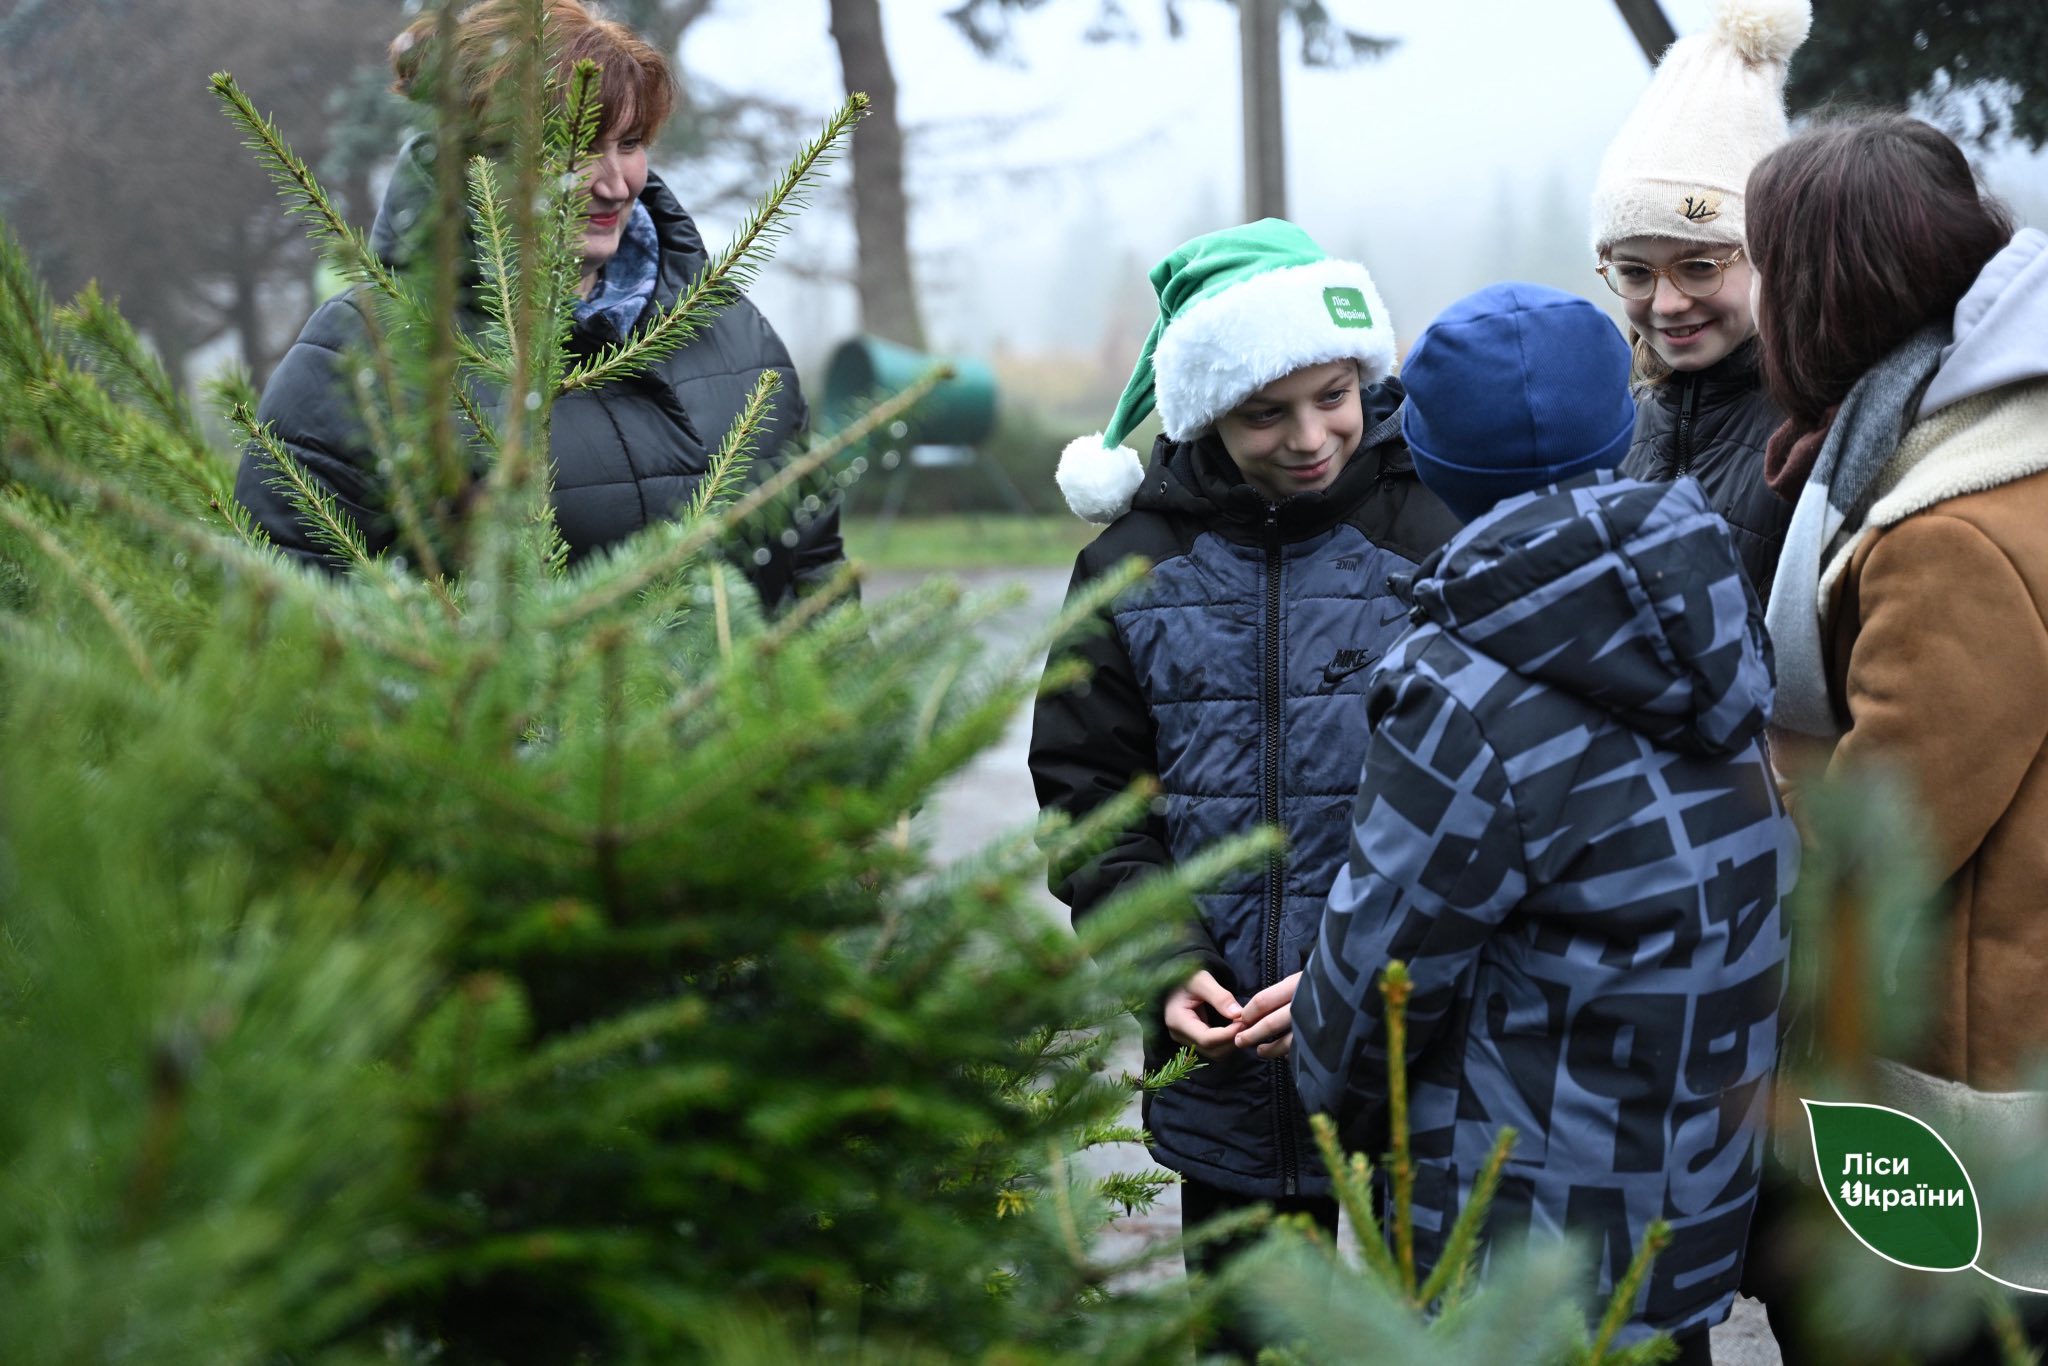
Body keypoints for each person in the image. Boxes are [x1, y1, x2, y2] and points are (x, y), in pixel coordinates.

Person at [1280, 283, 1796, 1364]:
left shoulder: (1459, 684)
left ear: (1431, 460)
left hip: (1515, 1238)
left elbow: (1383, 983)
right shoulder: (1707, 600)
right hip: (1685, 1191)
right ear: (1618, 426)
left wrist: (1325, 1098)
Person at [1028, 220, 1459, 1354]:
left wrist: (1371, 966)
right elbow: (1086, 792)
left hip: (1419, 1043)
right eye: (1265, 412)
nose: (1309, 437)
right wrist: (1158, 956)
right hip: (1228, 1056)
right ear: (1205, 410)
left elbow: (1486, 800)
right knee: (1251, 1333)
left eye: (1333, 396)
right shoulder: (1132, 565)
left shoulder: (1434, 534)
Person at [1750, 114, 2048, 1361]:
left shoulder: (1949, 534)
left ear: (1815, 296)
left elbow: (1886, 835)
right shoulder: (1989, 436)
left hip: (1956, 1084)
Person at [234, 0, 840, 609]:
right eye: (574, 149)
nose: (614, 184)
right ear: (478, 156)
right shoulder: (361, 351)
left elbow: (812, 570)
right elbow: (289, 612)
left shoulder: (733, 331)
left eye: (630, 142)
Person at [1589, 0, 1812, 605]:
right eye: (1635, 272)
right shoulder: (1615, 423)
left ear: (1767, 256)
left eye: (1699, 267)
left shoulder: (1818, 425)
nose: (1666, 304)